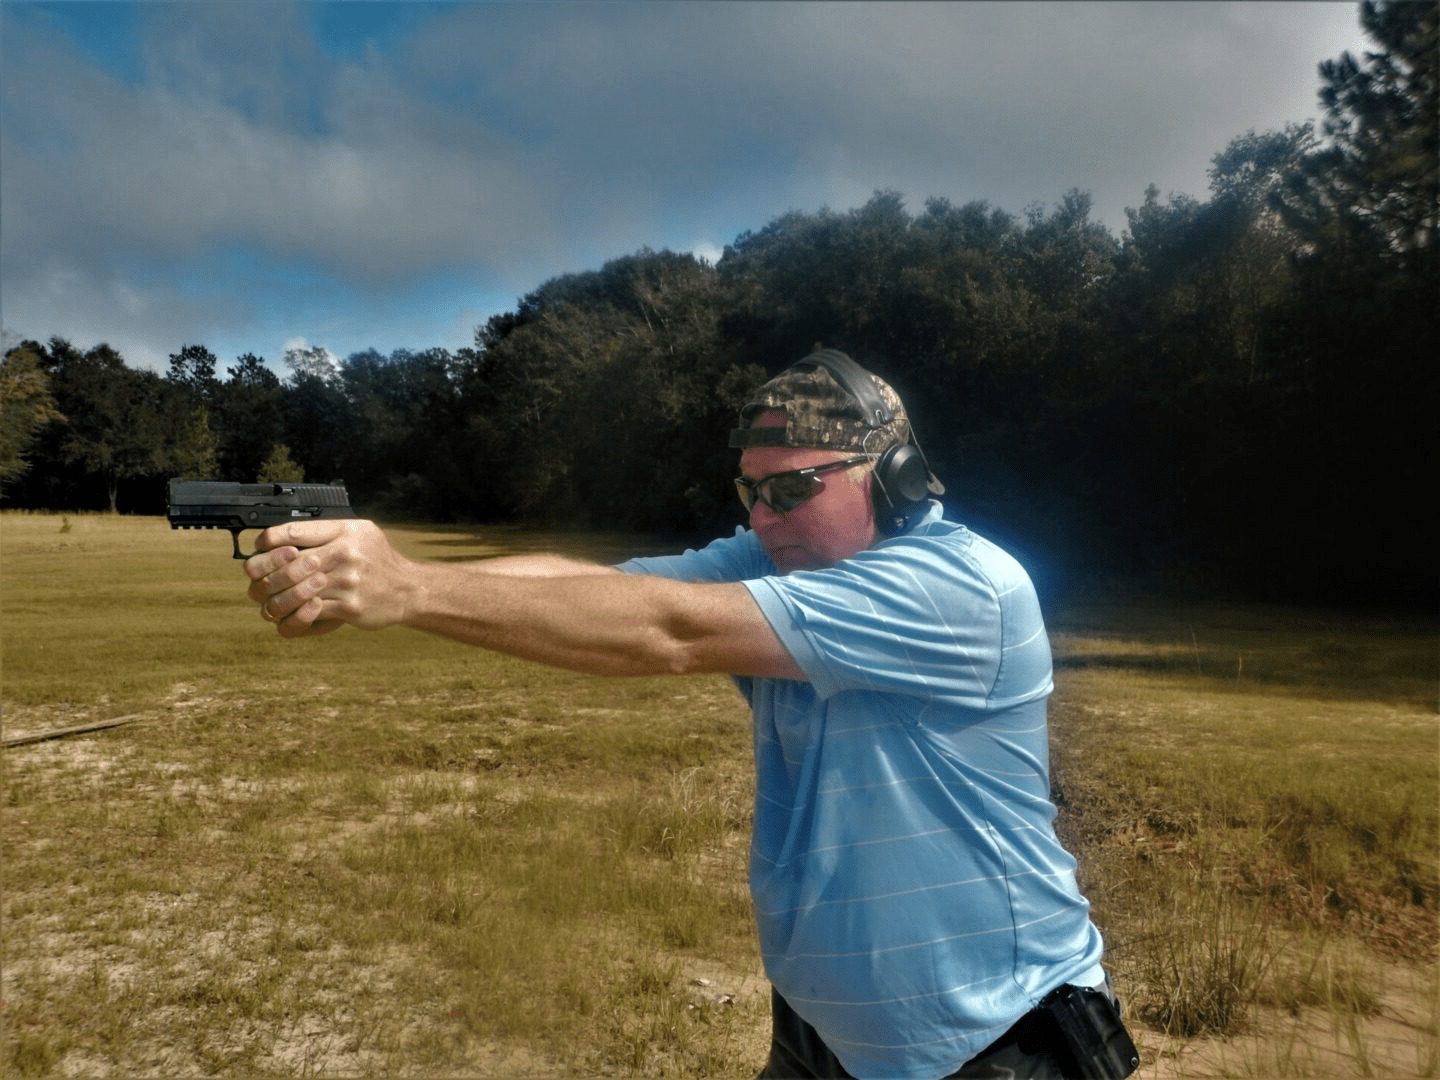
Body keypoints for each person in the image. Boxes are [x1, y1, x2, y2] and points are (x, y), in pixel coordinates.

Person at [243, 350, 1137, 1080]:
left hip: (992, 1042)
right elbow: (613, 591)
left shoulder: (957, 587)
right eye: (748, 491)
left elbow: (666, 632)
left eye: (791, 489)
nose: (761, 515)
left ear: (892, 478)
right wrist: (379, 573)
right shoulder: (784, 562)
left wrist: (408, 590)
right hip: (825, 1029)